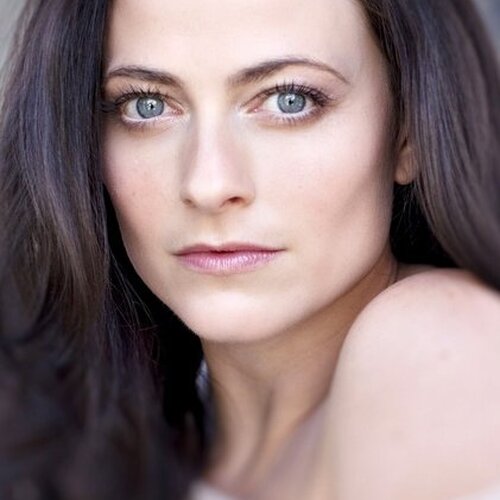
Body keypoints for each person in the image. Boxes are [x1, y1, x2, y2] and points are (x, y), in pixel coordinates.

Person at [0, 0, 499, 499]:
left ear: (407, 133)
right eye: (147, 105)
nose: (209, 185)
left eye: (289, 100)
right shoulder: (108, 425)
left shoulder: (440, 338)